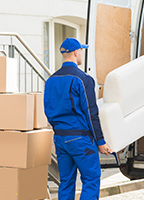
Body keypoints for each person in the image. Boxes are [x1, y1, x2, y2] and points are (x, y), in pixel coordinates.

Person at [44, 37, 112, 200]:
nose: (81, 53)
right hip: (80, 139)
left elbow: (48, 110)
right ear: (76, 52)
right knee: (91, 179)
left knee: (66, 181)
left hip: (60, 139)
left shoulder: (50, 81)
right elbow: (91, 112)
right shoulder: (83, 79)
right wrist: (100, 141)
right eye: (81, 50)